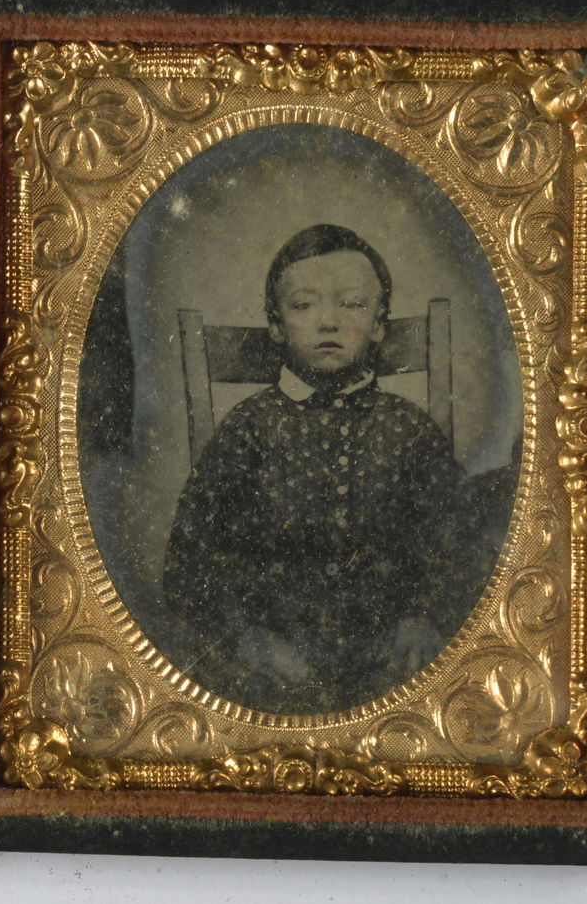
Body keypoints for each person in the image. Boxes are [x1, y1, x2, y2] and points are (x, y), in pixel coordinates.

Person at [161, 224, 493, 714]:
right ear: (276, 325)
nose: (329, 322)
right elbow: (190, 562)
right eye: (304, 305)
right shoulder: (249, 428)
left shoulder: (408, 430)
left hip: (390, 669)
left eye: (354, 305)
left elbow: (459, 545)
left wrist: (423, 618)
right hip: (271, 668)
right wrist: (245, 639)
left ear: (379, 323)